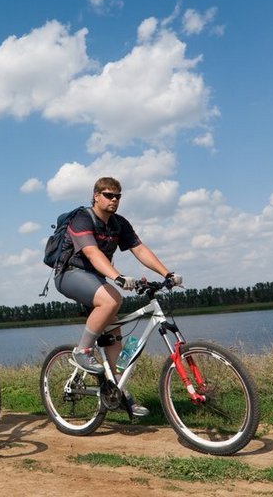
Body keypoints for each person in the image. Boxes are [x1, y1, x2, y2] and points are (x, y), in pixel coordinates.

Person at [54, 177, 183, 417]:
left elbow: (140, 249)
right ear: (96, 196)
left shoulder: (119, 224)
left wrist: (167, 273)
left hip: (97, 279)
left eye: (118, 196)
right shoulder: (82, 218)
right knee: (112, 300)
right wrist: (118, 277)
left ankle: (119, 393)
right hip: (71, 274)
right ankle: (81, 352)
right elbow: (92, 253)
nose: (114, 200)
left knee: (114, 334)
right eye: (108, 195)